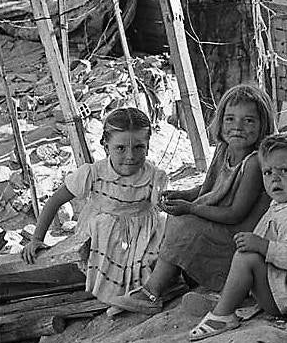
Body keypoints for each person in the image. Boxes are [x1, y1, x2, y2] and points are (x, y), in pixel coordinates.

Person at [111, 84, 276, 315]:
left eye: (248, 121)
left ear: (263, 125)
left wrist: (190, 207)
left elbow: (235, 213)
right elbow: (212, 189)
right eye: (230, 119)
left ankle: (152, 292)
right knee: (174, 220)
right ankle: (170, 277)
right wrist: (184, 195)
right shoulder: (224, 150)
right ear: (220, 121)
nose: (237, 127)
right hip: (223, 224)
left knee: (185, 224)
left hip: (239, 237)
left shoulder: (254, 163)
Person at [21, 107, 167, 305]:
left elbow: (161, 208)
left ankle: (139, 293)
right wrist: (37, 238)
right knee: (103, 239)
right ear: (106, 147)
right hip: (102, 235)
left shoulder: (154, 176)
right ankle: (113, 293)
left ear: (148, 146)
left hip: (141, 232)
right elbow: (55, 201)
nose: (130, 156)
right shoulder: (94, 173)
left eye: (139, 147)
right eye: (120, 148)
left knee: (154, 259)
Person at [188, 131, 287, 340]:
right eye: (267, 172)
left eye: (284, 170)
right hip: (278, 286)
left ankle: (223, 315)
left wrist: (262, 246)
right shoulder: (283, 205)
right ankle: (229, 299)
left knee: (246, 257)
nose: (275, 178)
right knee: (245, 250)